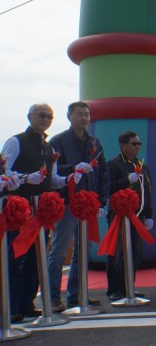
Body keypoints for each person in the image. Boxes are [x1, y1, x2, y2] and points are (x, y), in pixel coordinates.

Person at [2, 104, 70, 322]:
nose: (46, 119)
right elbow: (4, 172)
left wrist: (70, 178)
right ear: (30, 116)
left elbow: (53, 179)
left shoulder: (49, 149)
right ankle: (10, 307)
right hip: (16, 210)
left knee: (35, 258)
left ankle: (27, 302)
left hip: (39, 210)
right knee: (13, 258)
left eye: (50, 116)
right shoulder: (16, 141)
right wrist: (24, 178)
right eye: (42, 115)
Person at [47, 101, 110, 311]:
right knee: (58, 251)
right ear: (69, 116)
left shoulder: (94, 142)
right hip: (67, 203)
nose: (84, 118)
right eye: (79, 114)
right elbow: (52, 170)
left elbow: (103, 173)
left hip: (89, 205)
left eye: (87, 114)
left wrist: (101, 200)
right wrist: (73, 168)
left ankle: (77, 295)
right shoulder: (58, 141)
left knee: (82, 253)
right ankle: (53, 298)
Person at [106, 130, 153, 300]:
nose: (137, 147)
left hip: (138, 216)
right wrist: (126, 180)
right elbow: (108, 187)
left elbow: (147, 190)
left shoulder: (141, 165)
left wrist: (149, 214)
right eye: (133, 143)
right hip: (120, 216)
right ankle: (115, 290)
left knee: (136, 253)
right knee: (118, 254)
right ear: (122, 145)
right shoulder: (114, 164)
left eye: (139, 143)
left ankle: (129, 288)